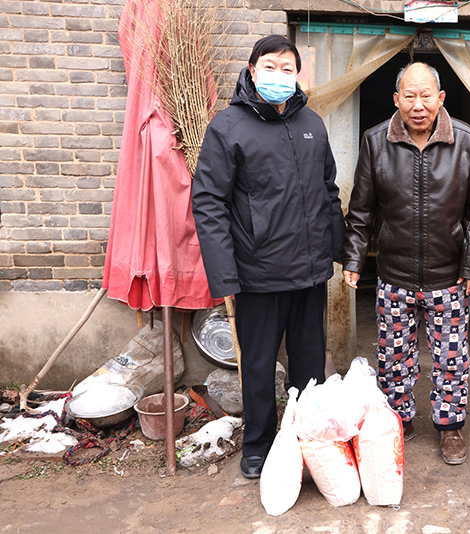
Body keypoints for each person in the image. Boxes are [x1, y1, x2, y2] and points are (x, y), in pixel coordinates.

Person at [192, 35, 345, 478]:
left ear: (298, 74)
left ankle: (307, 438)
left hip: (310, 272)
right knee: (258, 366)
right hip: (257, 273)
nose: (279, 75)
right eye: (270, 67)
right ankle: (258, 444)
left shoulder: (312, 123)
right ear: (252, 71)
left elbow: (328, 191)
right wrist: (224, 275)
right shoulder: (228, 127)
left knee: (309, 365)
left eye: (288, 68)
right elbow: (209, 203)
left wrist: (338, 250)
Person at [342, 62, 470, 465]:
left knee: (451, 358)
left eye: (426, 95)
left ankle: (450, 426)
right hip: (394, 274)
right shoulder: (376, 141)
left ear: (440, 98)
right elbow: (362, 209)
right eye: (409, 96)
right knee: (393, 357)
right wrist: (354, 258)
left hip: (448, 275)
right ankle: (398, 419)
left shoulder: (467, 140)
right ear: (397, 100)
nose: (418, 105)